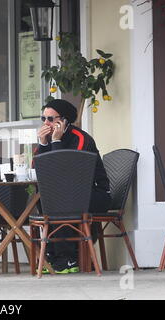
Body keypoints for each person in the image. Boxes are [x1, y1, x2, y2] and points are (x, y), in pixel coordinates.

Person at [36, 99, 112, 274]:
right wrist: (44, 144)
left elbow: (65, 174)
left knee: (61, 201)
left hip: (96, 194)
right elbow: (42, 170)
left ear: (63, 121)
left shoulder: (81, 138)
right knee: (44, 199)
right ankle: (55, 257)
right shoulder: (48, 137)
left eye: (50, 118)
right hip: (72, 195)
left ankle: (69, 258)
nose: (45, 123)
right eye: (43, 118)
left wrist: (55, 141)